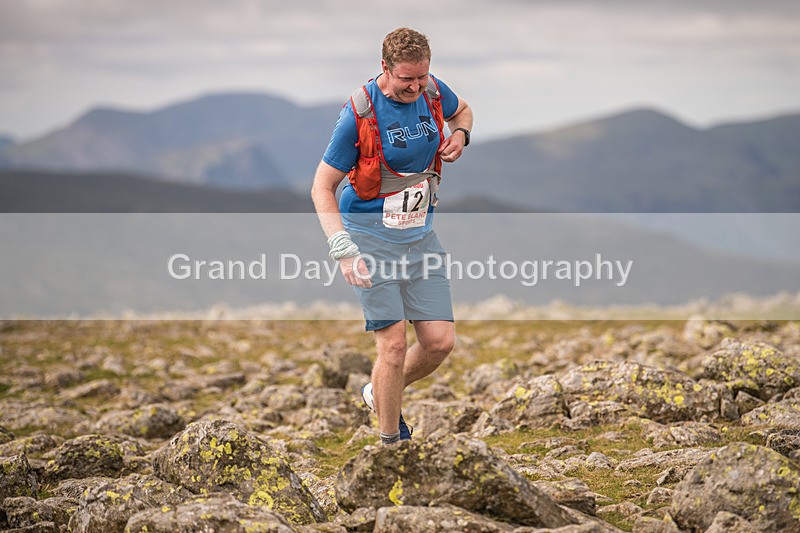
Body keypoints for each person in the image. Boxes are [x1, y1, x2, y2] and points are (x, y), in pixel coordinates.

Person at [311, 27, 473, 445]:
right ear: (384, 68)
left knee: (439, 342)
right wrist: (342, 247)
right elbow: (321, 186)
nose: (415, 86)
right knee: (394, 346)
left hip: (420, 236)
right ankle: (391, 444)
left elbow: (464, 111)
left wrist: (460, 135)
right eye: (406, 79)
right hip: (369, 237)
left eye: (422, 76)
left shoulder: (433, 91)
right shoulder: (359, 113)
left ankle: (377, 392)